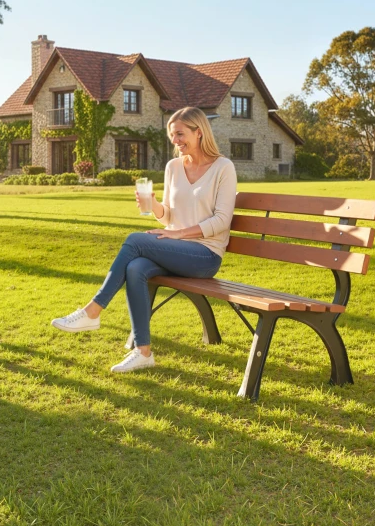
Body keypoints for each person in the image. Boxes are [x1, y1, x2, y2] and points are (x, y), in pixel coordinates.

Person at [51, 106, 237, 373]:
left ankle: (92, 311)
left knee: (135, 241)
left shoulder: (223, 168)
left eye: (180, 134)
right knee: (136, 267)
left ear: (199, 132)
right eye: (172, 135)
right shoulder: (173, 167)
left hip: (204, 255)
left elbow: (222, 221)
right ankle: (143, 352)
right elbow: (169, 217)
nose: (175, 141)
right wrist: (154, 206)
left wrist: (179, 233)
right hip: (176, 248)